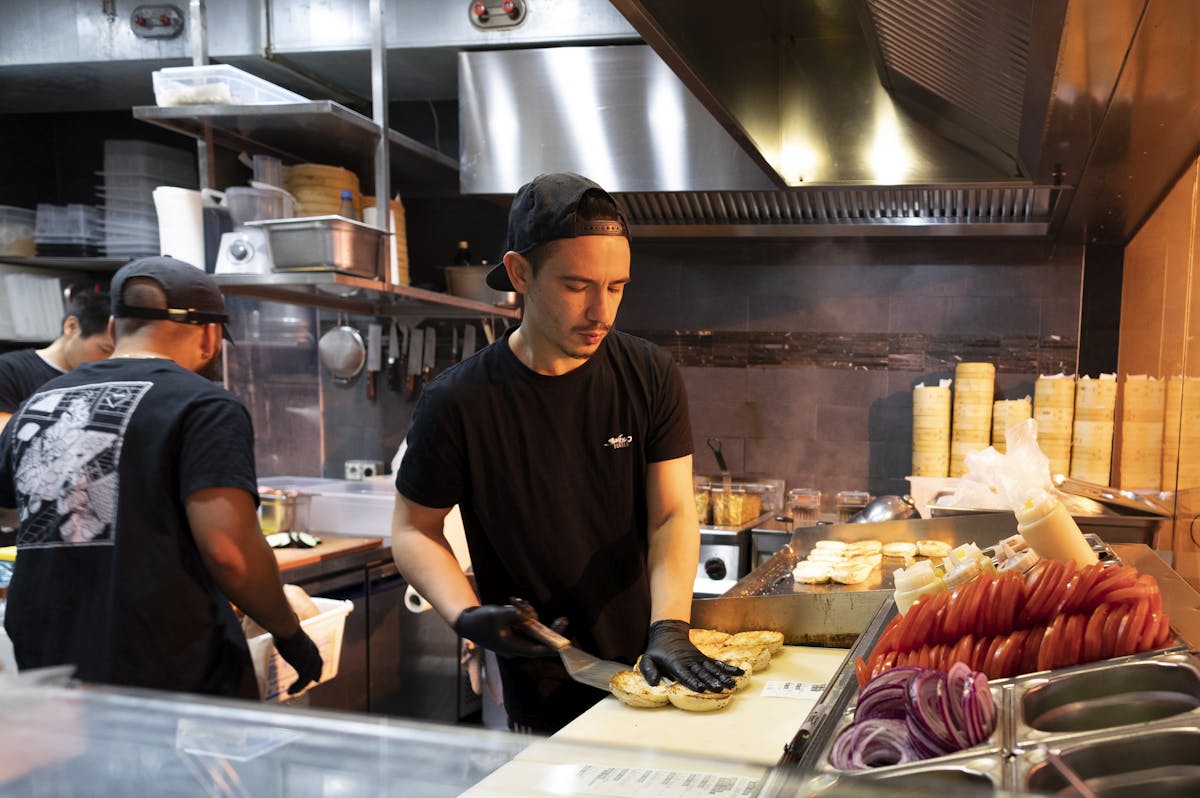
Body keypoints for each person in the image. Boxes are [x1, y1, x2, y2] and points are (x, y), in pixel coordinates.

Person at [392, 173, 739, 734]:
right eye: (577, 286)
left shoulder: (650, 375)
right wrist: (465, 614)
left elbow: (673, 514)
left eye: (617, 287)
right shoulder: (459, 401)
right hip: (542, 681)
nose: (602, 311)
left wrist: (670, 626)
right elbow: (413, 530)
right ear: (519, 273)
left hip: (652, 667)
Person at [0, 256, 322, 699]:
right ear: (209, 337)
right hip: (167, 670)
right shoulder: (205, 406)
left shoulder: (39, 404)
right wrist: (290, 633)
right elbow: (231, 553)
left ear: (113, 330)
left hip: (46, 658)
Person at [0, 289, 114, 432]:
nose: (108, 360)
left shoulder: (105, 381)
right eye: (105, 350)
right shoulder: (8, 370)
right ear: (71, 327)